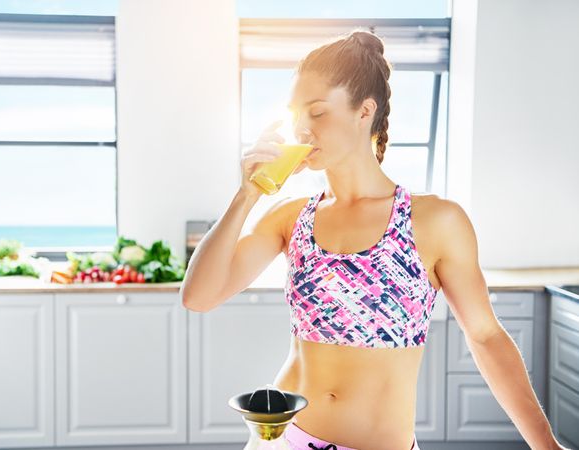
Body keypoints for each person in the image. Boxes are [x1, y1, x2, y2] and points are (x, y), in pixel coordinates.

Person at [180, 30, 567, 450]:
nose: (302, 130)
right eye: (297, 115)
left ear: (365, 111)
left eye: (318, 113)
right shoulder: (289, 217)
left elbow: (486, 336)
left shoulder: (434, 220)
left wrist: (546, 445)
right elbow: (198, 296)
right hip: (282, 440)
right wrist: (247, 193)